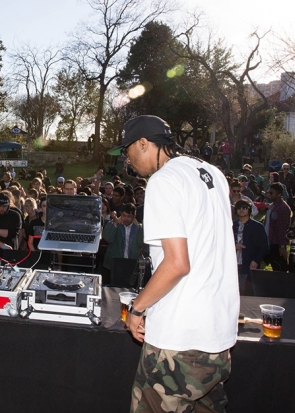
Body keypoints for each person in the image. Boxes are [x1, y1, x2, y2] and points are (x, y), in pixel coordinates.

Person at [110, 115, 238, 413]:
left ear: (143, 144)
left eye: (127, 152)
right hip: (218, 336)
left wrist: (137, 309)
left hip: (180, 338)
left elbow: (178, 263)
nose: (128, 161)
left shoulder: (163, 181)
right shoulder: (213, 174)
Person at [232, 199, 269, 294]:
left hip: (249, 264)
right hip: (232, 265)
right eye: (239, 208)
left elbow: (264, 246)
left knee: (247, 292)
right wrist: (234, 246)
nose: (242, 210)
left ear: (249, 210)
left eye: (244, 207)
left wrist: (256, 261)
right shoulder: (231, 226)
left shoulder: (257, 227)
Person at [101, 203, 144, 280]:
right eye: (124, 215)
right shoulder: (114, 224)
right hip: (114, 264)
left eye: (129, 216)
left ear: (134, 216)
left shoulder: (139, 228)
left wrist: (142, 228)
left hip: (132, 263)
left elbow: (141, 243)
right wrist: (114, 224)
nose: (126, 219)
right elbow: (107, 238)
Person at [264, 182, 291, 272]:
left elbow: (282, 228)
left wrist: (282, 246)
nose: (269, 194)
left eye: (271, 193)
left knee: (280, 270)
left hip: (277, 244)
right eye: (268, 192)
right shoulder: (272, 205)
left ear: (279, 194)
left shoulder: (282, 208)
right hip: (269, 241)